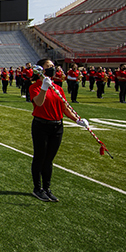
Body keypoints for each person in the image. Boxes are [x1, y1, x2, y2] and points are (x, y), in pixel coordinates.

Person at [29, 59, 86, 202]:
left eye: (53, 66)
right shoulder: (35, 87)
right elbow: (39, 103)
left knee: (49, 160)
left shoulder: (58, 88)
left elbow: (65, 107)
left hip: (57, 126)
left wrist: (77, 120)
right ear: (40, 69)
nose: (52, 69)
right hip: (41, 126)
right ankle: (37, 188)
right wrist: (43, 88)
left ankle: (47, 189)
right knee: (40, 157)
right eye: (49, 66)